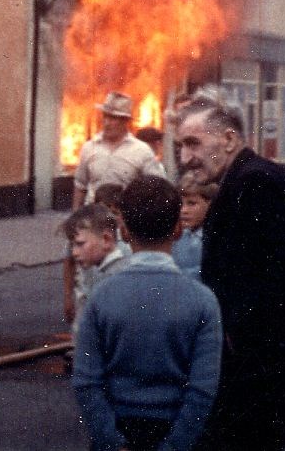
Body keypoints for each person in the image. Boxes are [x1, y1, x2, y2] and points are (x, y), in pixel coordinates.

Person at [176, 99, 285, 450]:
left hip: (260, 372)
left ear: (229, 140)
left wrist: (239, 334)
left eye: (193, 143)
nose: (185, 158)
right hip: (256, 368)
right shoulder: (245, 180)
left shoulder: (255, 183)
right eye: (181, 146)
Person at [72, 176, 222, 451]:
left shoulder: (101, 296)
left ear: (124, 231)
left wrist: (112, 442)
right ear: (177, 229)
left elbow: (86, 381)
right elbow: (203, 389)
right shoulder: (203, 301)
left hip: (117, 427)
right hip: (176, 429)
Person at [72, 91, 165, 210]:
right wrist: (75, 218)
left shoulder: (142, 151)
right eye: (105, 116)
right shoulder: (89, 147)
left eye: (113, 118)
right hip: (94, 217)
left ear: (125, 121)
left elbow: (158, 187)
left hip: (127, 217)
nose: (107, 123)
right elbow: (80, 185)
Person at [60, 203, 127, 335]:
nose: (74, 253)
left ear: (106, 239)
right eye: (72, 246)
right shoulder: (104, 268)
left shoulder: (115, 278)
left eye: (80, 244)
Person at [170, 171, 217, 281]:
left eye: (191, 203)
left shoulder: (215, 237)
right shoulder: (176, 237)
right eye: (180, 204)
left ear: (209, 204)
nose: (183, 210)